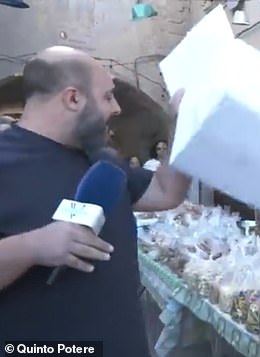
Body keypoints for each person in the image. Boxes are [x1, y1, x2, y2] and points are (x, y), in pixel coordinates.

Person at [0, 46, 191, 356]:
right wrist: (33, 246)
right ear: (73, 98)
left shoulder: (103, 162)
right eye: (107, 97)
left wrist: (183, 124)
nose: (116, 108)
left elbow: (166, 191)